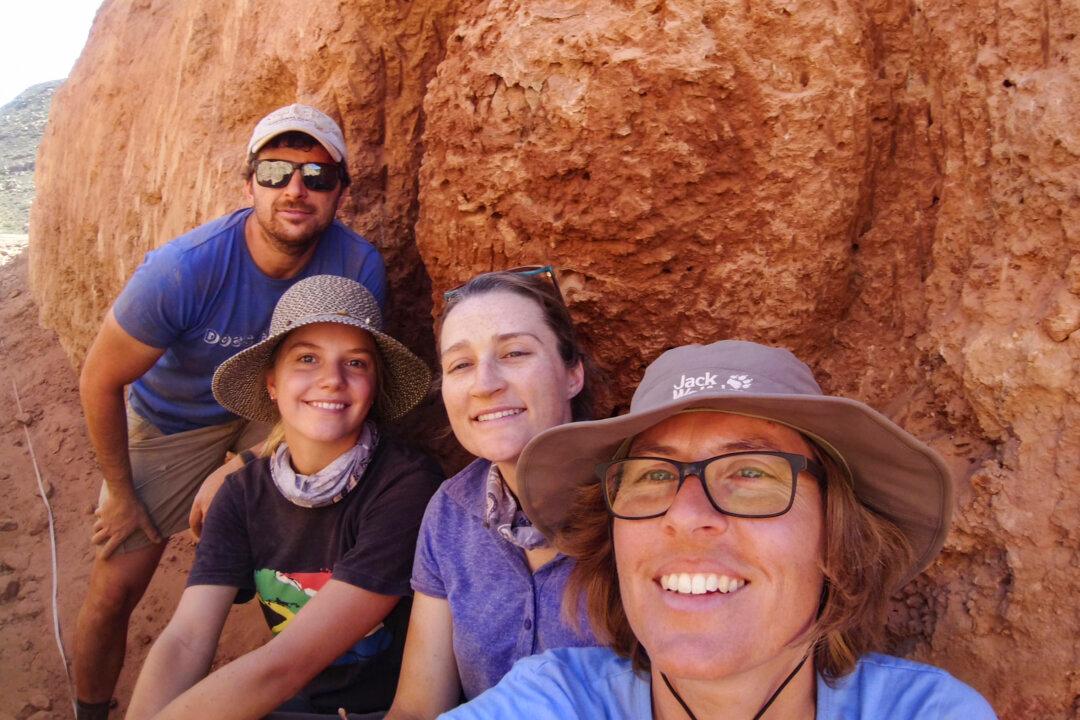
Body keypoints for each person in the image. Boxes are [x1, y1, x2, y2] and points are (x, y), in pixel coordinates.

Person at [441, 340, 998, 719]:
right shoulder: (555, 699)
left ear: (837, 540)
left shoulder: (925, 711)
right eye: (653, 475)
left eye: (752, 473)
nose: (684, 516)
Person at [73, 103, 389, 720]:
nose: (296, 190)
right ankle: (89, 710)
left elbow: (344, 383)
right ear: (249, 185)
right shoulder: (183, 270)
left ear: (341, 193)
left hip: (272, 409)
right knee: (115, 586)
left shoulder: (356, 266)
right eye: (276, 172)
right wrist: (119, 489)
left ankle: (295, 636)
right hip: (173, 419)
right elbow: (99, 380)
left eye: (318, 176)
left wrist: (240, 464)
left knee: (319, 476)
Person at [126, 275, 441, 719]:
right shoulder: (241, 494)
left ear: (375, 387)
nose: (331, 380)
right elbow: (185, 639)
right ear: (272, 383)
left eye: (355, 363)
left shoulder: (405, 486)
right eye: (307, 359)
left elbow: (286, 664)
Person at [385, 267, 600, 719]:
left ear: (573, 373)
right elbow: (419, 707)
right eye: (461, 364)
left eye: (515, 352)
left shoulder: (640, 510)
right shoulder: (450, 512)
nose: (485, 383)